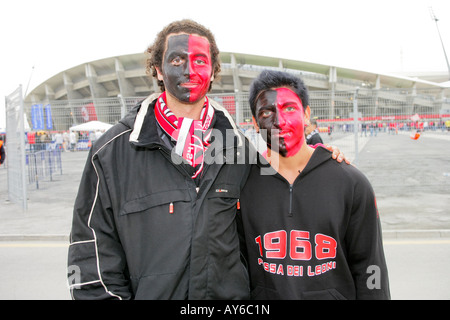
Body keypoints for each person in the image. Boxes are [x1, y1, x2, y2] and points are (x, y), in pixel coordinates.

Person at [67, 20, 348, 300]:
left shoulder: (241, 150)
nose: (190, 70)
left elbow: (280, 201)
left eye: (200, 61)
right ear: (158, 70)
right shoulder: (111, 153)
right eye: (177, 60)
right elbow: (90, 256)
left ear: (213, 72)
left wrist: (323, 165)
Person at [239, 70, 390, 300]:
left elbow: (371, 268)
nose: (279, 121)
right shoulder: (240, 185)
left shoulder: (351, 183)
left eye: (290, 108)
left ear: (307, 114)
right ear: (255, 123)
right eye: (267, 112)